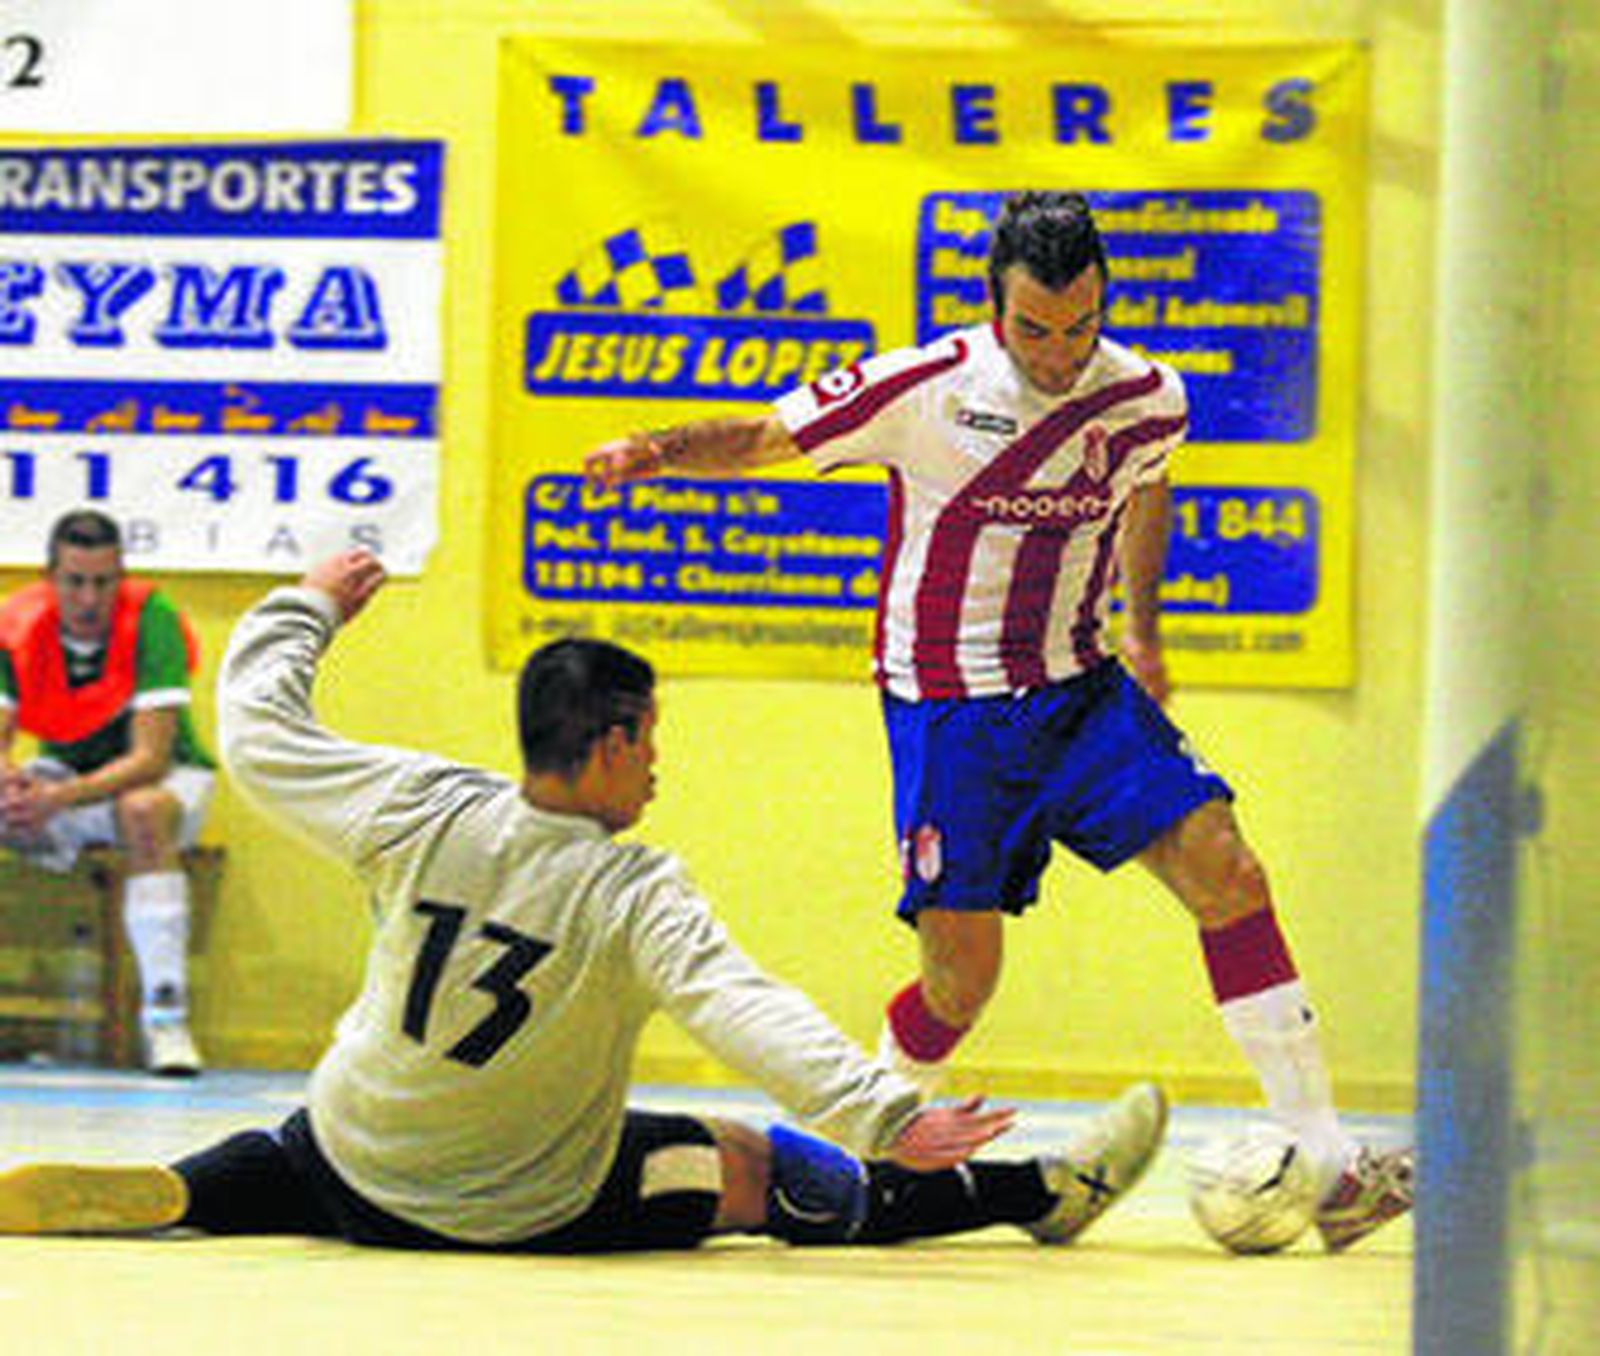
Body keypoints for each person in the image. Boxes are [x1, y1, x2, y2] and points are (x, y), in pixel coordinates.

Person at [584, 190, 1412, 1254]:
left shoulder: (1150, 397)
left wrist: (1142, 629)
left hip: (1081, 692)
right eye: (1034, 330)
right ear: (993, 306)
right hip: (949, 707)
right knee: (959, 984)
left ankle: (1329, 1164)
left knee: (1229, 873)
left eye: (1081, 326)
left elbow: (1146, 490)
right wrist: (650, 452)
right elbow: (760, 436)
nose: (1061, 353)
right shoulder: (920, 388)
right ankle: (867, 1164)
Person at [0, 548, 1167, 1254]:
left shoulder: (422, 803)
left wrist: (306, 604)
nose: (658, 763)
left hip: (355, 1154)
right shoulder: (631, 889)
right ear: (609, 746)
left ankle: (200, 1193)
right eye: (650, 739)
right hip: (518, 1206)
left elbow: (256, 732)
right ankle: (1039, 1195)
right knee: (768, 1170)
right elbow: (740, 1008)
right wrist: (879, 1115)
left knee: (308, 1149)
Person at [0, 509, 212, 1076]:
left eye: (102, 582)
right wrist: (11, 785)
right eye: (74, 582)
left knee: (141, 812)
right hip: (65, 780)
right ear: (51, 578)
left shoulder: (153, 620)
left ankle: (166, 1020)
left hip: (165, 783)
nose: (89, 599)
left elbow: (150, 758)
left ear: (121, 578)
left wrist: (55, 801)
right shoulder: (18, 625)